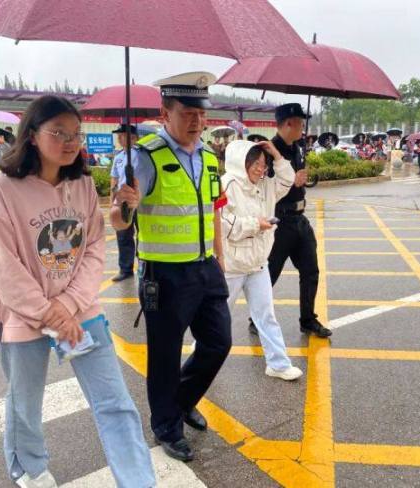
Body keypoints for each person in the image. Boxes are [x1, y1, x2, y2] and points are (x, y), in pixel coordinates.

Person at [0, 96, 155, 488]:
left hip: (81, 312)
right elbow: (4, 267)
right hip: (23, 318)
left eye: (75, 133)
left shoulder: (83, 184)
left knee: (115, 403)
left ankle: (139, 480)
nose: (70, 141)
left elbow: (94, 248)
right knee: (25, 403)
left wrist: (69, 306)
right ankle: (31, 467)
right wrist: (49, 313)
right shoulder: (0, 189)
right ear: (33, 136)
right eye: (58, 132)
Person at [111, 72, 231, 462]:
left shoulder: (210, 157)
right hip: (164, 274)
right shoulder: (143, 157)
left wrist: (219, 259)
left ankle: (181, 400)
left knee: (218, 342)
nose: (196, 121)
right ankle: (166, 425)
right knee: (164, 355)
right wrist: (123, 203)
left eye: (201, 113)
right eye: (187, 113)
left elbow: (211, 211)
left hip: (204, 268)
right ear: (165, 113)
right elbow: (120, 220)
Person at [248, 103, 332, 338]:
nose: (303, 129)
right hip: (279, 221)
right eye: (300, 124)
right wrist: (290, 181)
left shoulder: (298, 148)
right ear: (288, 124)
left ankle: (308, 320)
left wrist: (303, 180)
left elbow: (297, 180)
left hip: (300, 220)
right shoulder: (267, 150)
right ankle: (256, 318)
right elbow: (262, 188)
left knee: (311, 271)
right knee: (269, 273)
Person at [221, 139, 303, 380]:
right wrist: (256, 225)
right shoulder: (226, 186)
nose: (260, 169)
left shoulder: (266, 185)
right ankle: (202, 356)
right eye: (255, 163)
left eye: (263, 164)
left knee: (266, 315)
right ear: (240, 162)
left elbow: (287, 180)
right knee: (218, 317)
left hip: (258, 264)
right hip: (233, 266)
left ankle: (278, 364)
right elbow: (224, 225)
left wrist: (276, 154)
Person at [109, 123, 139, 282]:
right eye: (119, 136)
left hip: (139, 199)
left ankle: (144, 265)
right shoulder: (119, 156)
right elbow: (114, 179)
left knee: (143, 234)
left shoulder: (141, 154)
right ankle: (125, 269)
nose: (119, 138)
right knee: (123, 235)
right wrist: (112, 201)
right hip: (122, 201)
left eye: (123, 135)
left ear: (133, 137)